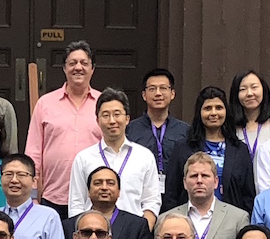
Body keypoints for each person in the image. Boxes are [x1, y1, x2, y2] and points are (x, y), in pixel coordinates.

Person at [25, 40, 103, 211]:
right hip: (53, 196)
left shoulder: (104, 104)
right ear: (64, 68)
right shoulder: (45, 103)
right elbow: (34, 151)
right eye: (72, 63)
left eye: (84, 63)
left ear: (92, 68)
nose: (78, 67)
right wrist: (32, 195)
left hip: (94, 199)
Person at [64, 89, 161, 222]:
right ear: (97, 120)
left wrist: (143, 229)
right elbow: (76, 204)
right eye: (105, 115)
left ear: (127, 119)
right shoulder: (84, 158)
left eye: (117, 114)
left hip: (132, 231)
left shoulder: (144, 157)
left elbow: (152, 201)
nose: (112, 121)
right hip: (94, 231)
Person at [156, 152, 249, 239]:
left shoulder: (238, 218)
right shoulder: (165, 220)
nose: (199, 181)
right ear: (185, 183)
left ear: (216, 182)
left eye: (205, 176)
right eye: (194, 176)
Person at [166, 85, 256, 212]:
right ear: (199, 112)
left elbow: (248, 196)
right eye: (208, 108)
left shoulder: (240, 150)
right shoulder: (183, 148)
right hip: (189, 219)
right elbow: (171, 193)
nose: (213, 113)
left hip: (230, 220)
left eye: (219, 108)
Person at [64, 166, 153, 239]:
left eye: (110, 183)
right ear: (88, 191)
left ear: (119, 191)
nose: (104, 187)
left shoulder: (137, 226)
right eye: (98, 183)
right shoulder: (69, 226)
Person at [0, 155, 69, 239]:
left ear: (34, 182)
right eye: (8, 174)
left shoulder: (48, 217)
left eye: (21, 175)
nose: (14, 180)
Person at [128, 68, 191, 194]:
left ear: (172, 94)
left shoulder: (185, 130)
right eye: (152, 89)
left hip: (177, 194)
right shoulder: (130, 130)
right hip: (139, 193)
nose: (158, 93)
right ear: (144, 95)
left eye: (163, 88)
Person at [232, 70, 270, 196]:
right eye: (243, 89)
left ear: (264, 90)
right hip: (240, 196)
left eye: (254, 87)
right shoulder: (231, 128)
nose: (249, 93)